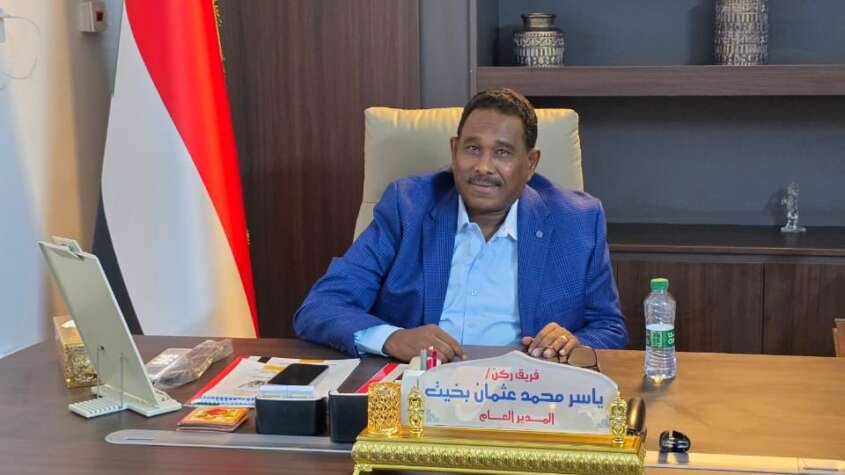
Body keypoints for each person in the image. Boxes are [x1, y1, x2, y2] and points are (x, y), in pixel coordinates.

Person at [294, 88, 627, 362]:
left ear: (530, 163)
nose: (483, 167)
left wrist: (573, 343)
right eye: (472, 148)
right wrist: (394, 338)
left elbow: (609, 327)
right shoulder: (406, 207)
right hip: (420, 390)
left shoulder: (577, 221)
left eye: (502, 152)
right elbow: (321, 307)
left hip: (526, 394)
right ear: (455, 152)